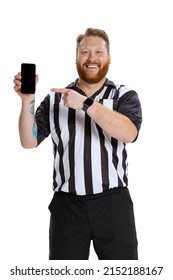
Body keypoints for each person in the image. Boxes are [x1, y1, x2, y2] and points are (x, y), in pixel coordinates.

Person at [13, 27, 142, 260]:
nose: (92, 58)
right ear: (76, 58)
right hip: (67, 208)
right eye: (85, 52)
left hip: (113, 205)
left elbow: (128, 133)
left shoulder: (124, 95)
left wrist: (85, 103)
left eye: (98, 52)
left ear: (108, 58)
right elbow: (28, 141)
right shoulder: (55, 99)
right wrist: (27, 101)